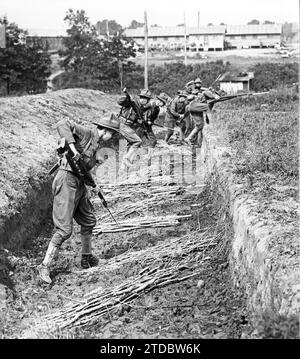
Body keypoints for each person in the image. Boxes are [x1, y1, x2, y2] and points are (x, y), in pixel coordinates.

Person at [38, 115, 119, 284]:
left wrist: (93, 185)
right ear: (105, 130)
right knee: (64, 230)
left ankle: (86, 258)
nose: (112, 137)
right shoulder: (87, 134)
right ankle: (44, 266)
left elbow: (84, 168)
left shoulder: (96, 145)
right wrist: (73, 148)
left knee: (89, 220)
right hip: (66, 180)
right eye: (112, 133)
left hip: (79, 183)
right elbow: (61, 123)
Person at [117, 89, 152, 168]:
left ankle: (124, 166)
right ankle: (126, 159)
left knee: (131, 144)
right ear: (139, 98)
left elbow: (138, 118)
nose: (143, 100)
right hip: (123, 124)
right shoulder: (132, 103)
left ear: (148, 100)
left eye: (145, 98)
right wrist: (126, 97)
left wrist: (140, 121)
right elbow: (120, 102)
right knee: (137, 141)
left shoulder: (141, 108)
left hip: (129, 126)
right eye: (142, 97)